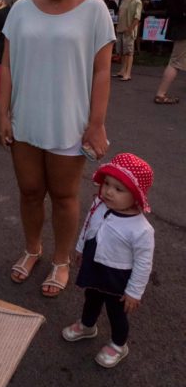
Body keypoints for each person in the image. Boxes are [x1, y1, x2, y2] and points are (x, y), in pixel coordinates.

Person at [0, 0, 115, 297]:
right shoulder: (20, 8)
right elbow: (9, 64)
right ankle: (32, 249)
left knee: (64, 196)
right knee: (30, 192)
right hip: (27, 119)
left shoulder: (95, 10)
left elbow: (101, 72)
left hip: (70, 120)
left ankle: (61, 260)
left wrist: (96, 123)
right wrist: (3, 114)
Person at [62, 153, 154, 368]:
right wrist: (81, 248)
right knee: (91, 297)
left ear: (136, 196)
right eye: (107, 184)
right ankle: (87, 325)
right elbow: (88, 226)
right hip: (95, 265)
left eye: (119, 189)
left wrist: (134, 292)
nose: (108, 191)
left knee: (116, 311)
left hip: (118, 276)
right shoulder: (99, 205)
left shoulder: (141, 230)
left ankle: (118, 344)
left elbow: (143, 263)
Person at [154, 0, 186, 104]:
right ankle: (161, 94)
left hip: (178, 26)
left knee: (176, 60)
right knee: (175, 62)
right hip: (183, 28)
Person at [113, 0, 142, 81]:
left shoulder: (137, 1)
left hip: (128, 31)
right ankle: (122, 71)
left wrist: (130, 29)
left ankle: (128, 73)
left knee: (129, 53)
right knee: (122, 52)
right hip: (121, 29)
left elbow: (137, 18)